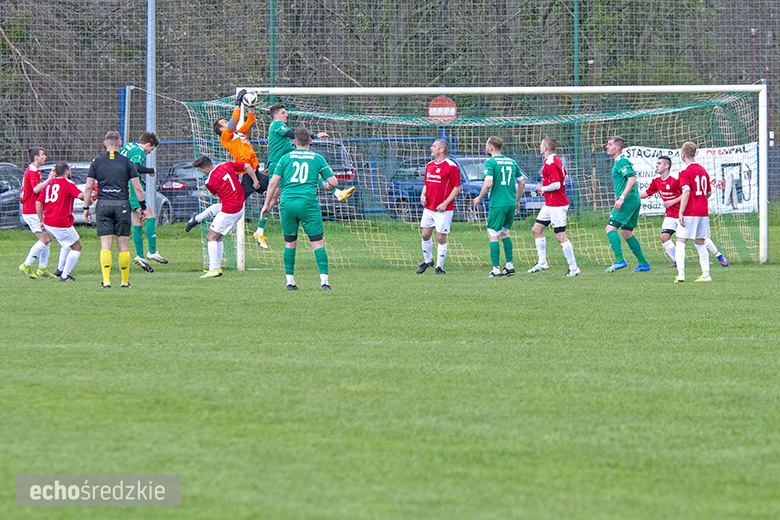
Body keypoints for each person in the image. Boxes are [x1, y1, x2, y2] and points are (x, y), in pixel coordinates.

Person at [185, 90, 271, 246]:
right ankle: (198, 218)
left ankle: (259, 232)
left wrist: (251, 105)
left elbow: (250, 120)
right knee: (234, 204)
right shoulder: (225, 137)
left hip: (253, 171)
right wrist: (238, 103)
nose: (228, 122)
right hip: (246, 174)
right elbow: (233, 121)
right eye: (224, 122)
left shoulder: (239, 133)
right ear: (221, 129)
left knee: (273, 188)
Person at [259, 128, 339, 290]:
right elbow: (334, 182)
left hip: (287, 203)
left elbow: (273, 182)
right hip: (307, 203)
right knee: (317, 242)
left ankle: (290, 282)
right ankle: (324, 282)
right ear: (310, 141)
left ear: (294, 142)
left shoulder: (285, 158)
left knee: (289, 242)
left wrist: (267, 204)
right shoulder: (317, 158)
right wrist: (328, 188)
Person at [82, 131, 148, 288]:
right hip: (122, 205)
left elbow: (89, 187)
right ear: (120, 143)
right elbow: (137, 186)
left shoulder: (96, 162)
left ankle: (106, 281)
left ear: (105, 144)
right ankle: (124, 282)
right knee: (123, 245)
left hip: (103, 204)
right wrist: (142, 207)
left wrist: (86, 207)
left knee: (106, 244)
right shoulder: (127, 162)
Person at [639, 155, 729, 268]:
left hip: (684, 213)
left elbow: (686, 194)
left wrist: (673, 201)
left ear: (666, 166)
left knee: (699, 238)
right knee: (664, 237)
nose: (656, 166)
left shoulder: (675, 180)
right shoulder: (656, 181)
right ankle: (677, 261)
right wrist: (629, 197)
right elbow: (647, 193)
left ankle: (719, 256)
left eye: (659, 163)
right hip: (670, 215)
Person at [192, 155, 259, 278]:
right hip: (239, 206)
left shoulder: (209, 181)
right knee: (218, 237)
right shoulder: (226, 165)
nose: (200, 172)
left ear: (204, 169)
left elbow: (217, 193)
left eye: (200, 170)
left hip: (230, 210)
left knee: (210, 237)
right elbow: (248, 166)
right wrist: (255, 180)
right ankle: (217, 268)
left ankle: (213, 269)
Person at [527, 137, 581, 277]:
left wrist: (543, 187)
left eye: (540, 145)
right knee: (536, 229)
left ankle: (574, 268)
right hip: (550, 203)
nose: (539, 147)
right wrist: (546, 189)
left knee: (560, 236)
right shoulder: (555, 160)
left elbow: (557, 184)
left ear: (545, 148)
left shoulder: (551, 162)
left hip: (557, 204)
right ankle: (542, 262)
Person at [472, 136, 524, 277]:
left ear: (491, 148)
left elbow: (488, 183)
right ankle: (509, 266)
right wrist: (517, 200)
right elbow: (522, 182)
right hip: (511, 202)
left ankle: (495, 269)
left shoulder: (490, 162)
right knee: (504, 233)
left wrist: (479, 197)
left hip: (498, 203)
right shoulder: (512, 162)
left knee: (493, 234)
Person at [603, 136, 650, 273]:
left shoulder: (621, 161)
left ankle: (619, 261)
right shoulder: (620, 161)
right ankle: (643, 263)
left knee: (610, 229)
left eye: (609, 144)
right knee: (626, 232)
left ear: (617, 147)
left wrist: (621, 198)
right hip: (633, 200)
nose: (607, 146)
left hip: (628, 200)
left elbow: (632, 179)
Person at [119, 131, 165, 272]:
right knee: (150, 216)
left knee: (137, 222)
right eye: (152, 149)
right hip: (131, 188)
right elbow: (135, 167)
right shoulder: (140, 151)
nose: (150, 152)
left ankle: (140, 256)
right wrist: (150, 170)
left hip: (123, 185)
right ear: (148, 144)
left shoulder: (129, 146)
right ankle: (151, 251)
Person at [416, 139, 461, 275]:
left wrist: (445, 203)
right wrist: (423, 195)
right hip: (429, 207)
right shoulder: (429, 165)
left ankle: (439, 267)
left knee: (441, 237)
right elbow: (426, 184)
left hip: (444, 209)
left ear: (441, 150)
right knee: (425, 234)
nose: (431, 148)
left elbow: (457, 188)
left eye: (434, 146)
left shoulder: (451, 166)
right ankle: (428, 260)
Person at [35, 161, 85, 282]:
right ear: (67, 171)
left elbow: (38, 203)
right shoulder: (68, 183)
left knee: (66, 244)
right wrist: (91, 195)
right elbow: (80, 196)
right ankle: (65, 276)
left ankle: (59, 270)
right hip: (60, 222)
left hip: (48, 221)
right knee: (77, 246)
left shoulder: (49, 184)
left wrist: (41, 221)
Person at [674, 142, 714, 283]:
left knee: (681, 240)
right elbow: (708, 192)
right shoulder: (703, 170)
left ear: (683, 154)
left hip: (690, 211)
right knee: (700, 242)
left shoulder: (685, 171)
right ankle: (706, 275)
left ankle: (681, 274)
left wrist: (681, 212)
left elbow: (686, 191)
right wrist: (700, 200)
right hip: (703, 211)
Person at [18, 146, 54, 279]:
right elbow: (36, 189)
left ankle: (42, 268)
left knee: (48, 238)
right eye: (43, 155)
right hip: (30, 210)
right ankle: (26, 265)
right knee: (45, 239)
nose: (45, 157)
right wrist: (49, 179)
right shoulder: (32, 171)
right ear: (36, 157)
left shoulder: (35, 170)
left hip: (34, 209)